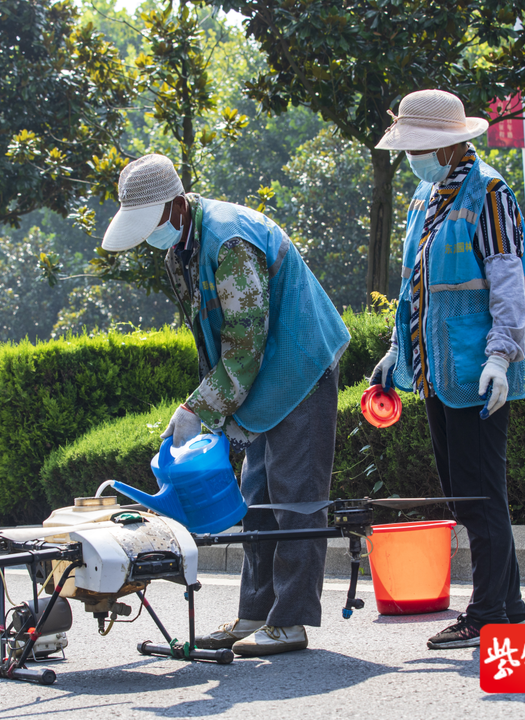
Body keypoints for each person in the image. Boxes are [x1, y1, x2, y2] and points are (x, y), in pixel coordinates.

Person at [101, 154, 350, 656]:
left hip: (299, 365)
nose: (148, 236)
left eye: (150, 223)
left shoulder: (231, 240)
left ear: (174, 206)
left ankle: (292, 621)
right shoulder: (181, 250)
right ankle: (255, 613)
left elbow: (244, 343)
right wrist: (214, 412)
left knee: (293, 498)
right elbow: (209, 337)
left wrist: (199, 408)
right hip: (261, 372)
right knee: (255, 499)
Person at [370, 89, 525, 649]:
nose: (410, 155)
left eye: (417, 145)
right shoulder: (426, 195)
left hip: (478, 370)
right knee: (468, 492)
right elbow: (415, 288)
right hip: (437, 371)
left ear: (445, 144)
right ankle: (508, 607)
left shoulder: (488, 191)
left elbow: (508, 279)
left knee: (479, 494)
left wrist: (500, 355)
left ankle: (488, 611)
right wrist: (399, 353)